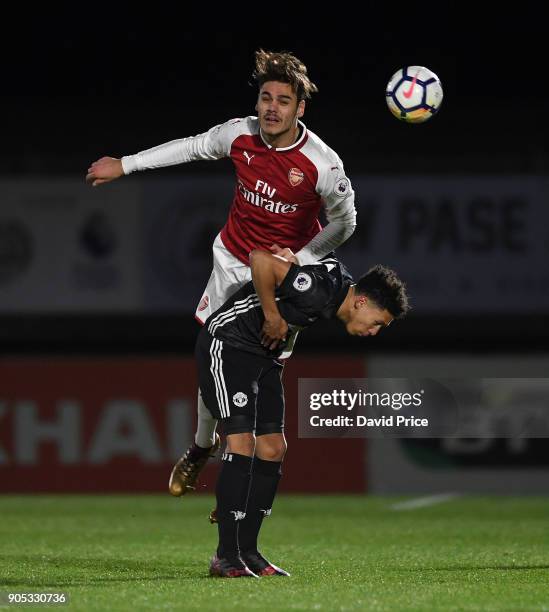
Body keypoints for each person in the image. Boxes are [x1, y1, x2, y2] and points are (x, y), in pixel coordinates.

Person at [85, 50, 358, 486]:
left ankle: (238, 477)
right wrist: (126, 164)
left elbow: (346, 222)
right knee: (215, 356)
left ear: (300, 108)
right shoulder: (239, 135)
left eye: (283, 100)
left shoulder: (324, 165)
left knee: (264, 367)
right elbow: (190, 147)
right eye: (265, 97)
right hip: (232, 263)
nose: (271, 107)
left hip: (282, 280)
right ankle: (201, 445)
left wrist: (302, 258)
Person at [197, 249, 409, 577]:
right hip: (228, 345)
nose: (374, 331)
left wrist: (291, 258)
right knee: (241, 443)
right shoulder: (320, 290)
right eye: (378, 323)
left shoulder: (334, 285)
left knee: (274, 448)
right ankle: (226, 556)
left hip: (264, 357)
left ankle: (249, 552)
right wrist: (271, 314)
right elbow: (260, 261)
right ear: (362, 303)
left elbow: (306, 256)